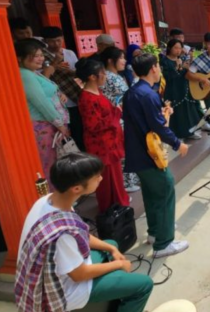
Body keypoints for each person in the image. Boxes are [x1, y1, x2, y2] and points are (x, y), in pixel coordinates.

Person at [15, 153, 152, 312]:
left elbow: (82, 233)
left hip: (61, 275)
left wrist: (111, 248)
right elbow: (79, 275)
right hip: (64, 292)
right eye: (96, 176)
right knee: (143, 286)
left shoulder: (49, 201)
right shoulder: (61, 235)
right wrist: (118, 265)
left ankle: (111, 306)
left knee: (110, 242)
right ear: (77, 188)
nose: (100, 178)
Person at [123, 53, 189, 258]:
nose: (159, 68)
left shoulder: (132, 92)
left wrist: (163, 114)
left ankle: (154, 233)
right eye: (158, 65)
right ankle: (164, 243)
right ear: (153, 68)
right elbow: (159, 127)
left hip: (137, 152)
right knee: (165, 190)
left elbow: (149, 121)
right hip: (149, 154)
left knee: (151, 194)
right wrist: (178, 144)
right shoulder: (148, 95)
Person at [15, 39, 70, 190]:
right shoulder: (25, 75)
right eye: (35, 56)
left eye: (41, 55)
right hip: (42, 126)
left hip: (47, 125)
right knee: (47, 165)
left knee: (52, 162)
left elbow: (47, 93)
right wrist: (59, 124)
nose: (40, 59)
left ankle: (57, 195)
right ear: (20, 58)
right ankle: (50, 197)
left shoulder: (32, 73)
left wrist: (59, 94)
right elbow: (41, 103)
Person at [76, 58, 129, 212]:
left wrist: (115, 110)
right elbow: (93, 125)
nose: (105, 76)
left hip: (109, 141)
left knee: (115, 175)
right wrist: (116, 113)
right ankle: (110, 208)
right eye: (103, 74)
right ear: (92, 77)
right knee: (106, 179)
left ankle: (118, 203)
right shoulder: (87, 97)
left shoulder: (97, 92)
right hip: (101, 144)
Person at [100, 46, 140, 193]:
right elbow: (129, 95)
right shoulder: (110, 77)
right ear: (111, 61)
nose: (124, 61)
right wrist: (137, 79)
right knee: (125, 150)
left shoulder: (112, 75)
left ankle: (130, 180)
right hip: (118, 118)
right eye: (121, 58)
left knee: (127, 149)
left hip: (119, 117)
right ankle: (127, 182)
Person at [41, 27, 84, 152]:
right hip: (59, 101)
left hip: (75, 94)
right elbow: (43, 78)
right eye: (51, 41)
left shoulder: (69, 53)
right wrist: (54, 63)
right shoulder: (42, 57)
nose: (56, 44)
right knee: (67, 133)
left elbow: (78, 73)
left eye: (58, 40)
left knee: (79, 128)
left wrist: (70, 71)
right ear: (45, 41)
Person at [161, 39, 203, 140]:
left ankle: (190, 132)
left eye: (180, 48)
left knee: (188, 111)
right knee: (177, 113)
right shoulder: (164, 61)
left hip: (184, 88)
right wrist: (178, 66)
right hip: (173, 90)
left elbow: (186, 73)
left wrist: (186, 67)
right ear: (169, 48)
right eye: (175, 48)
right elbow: (167, 76)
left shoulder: (182, 59)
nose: (178, 50)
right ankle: (178, 135)